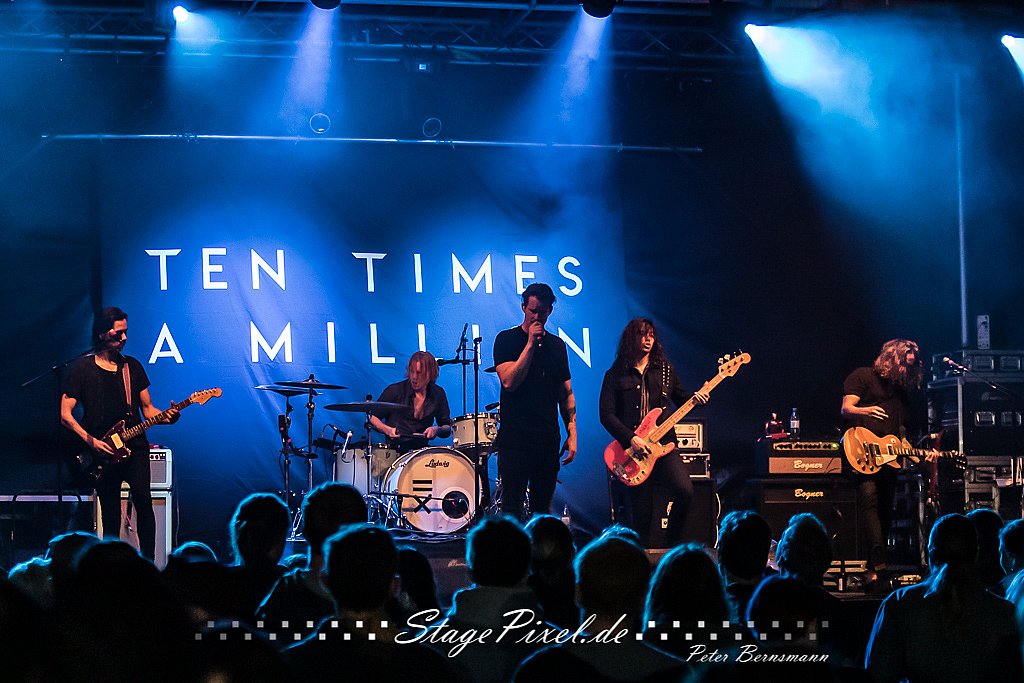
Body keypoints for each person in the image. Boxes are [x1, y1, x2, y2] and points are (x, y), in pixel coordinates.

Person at [60, 307, 179, 560]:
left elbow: (148, 409)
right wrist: (91, 441)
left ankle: (149, 563)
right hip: (101, 451)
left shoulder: (131, 367)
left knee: (144, 502)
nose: (124, 338)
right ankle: (111, 566)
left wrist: (167, 417)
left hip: (135, 447)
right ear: (103, 333)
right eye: (118, 333)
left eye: (126, 333)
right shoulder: (82, 368)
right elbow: (65, 415)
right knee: (110, 512)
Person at [865, 514, 1022, 683]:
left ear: (930, 555)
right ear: (975, 555)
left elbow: (879, 672)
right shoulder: (1004, 612)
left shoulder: (900, 602)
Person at [599, 317, 708, 547]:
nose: (648, 340)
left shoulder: (665, 371)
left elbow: (682, 399)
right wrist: (631, 438)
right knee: (642, 515)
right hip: (633, 451)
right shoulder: (615, 374)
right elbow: (606, 415)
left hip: (663, 445)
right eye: (642, 334)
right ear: (631, 338)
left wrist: (697, 399)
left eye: (651, 335)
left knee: (684, 490)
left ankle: (671, 544)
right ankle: (644, 558)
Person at [841, 338, 925, 575]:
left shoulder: (900, 392)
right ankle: (878, 561)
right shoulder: (862, 376)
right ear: (891, 359)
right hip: (862, 450)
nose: (906, 370)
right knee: (869, 499)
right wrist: (866, 410)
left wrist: (917, 455)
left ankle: (875, 567)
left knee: (886, 508)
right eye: (904, 364)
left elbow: (901, 433)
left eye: (910, 366)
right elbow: (846, 408)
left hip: (888, 456)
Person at [493, 283, 577, 519]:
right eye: (532, 311)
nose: (537, 317)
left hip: (546, 438)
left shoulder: (557, 346)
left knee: (542, 511)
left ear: (550, 310)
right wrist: (530, 344)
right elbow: (509, 382)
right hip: (515, 439)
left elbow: (566, 393)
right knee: (512, 508)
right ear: (523, 307)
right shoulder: (507, 340)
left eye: (542, 311)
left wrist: (572, 433)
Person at [369, 351, 451, 454]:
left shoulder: (438, 393)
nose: (414, 377)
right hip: (396, 452)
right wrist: (388, 430)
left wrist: (436, 430)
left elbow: (446, 427)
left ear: (430, 373)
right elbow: (372, 417)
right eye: (412, 372)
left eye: (419, 373)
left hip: (422, 452)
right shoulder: (395, 390)